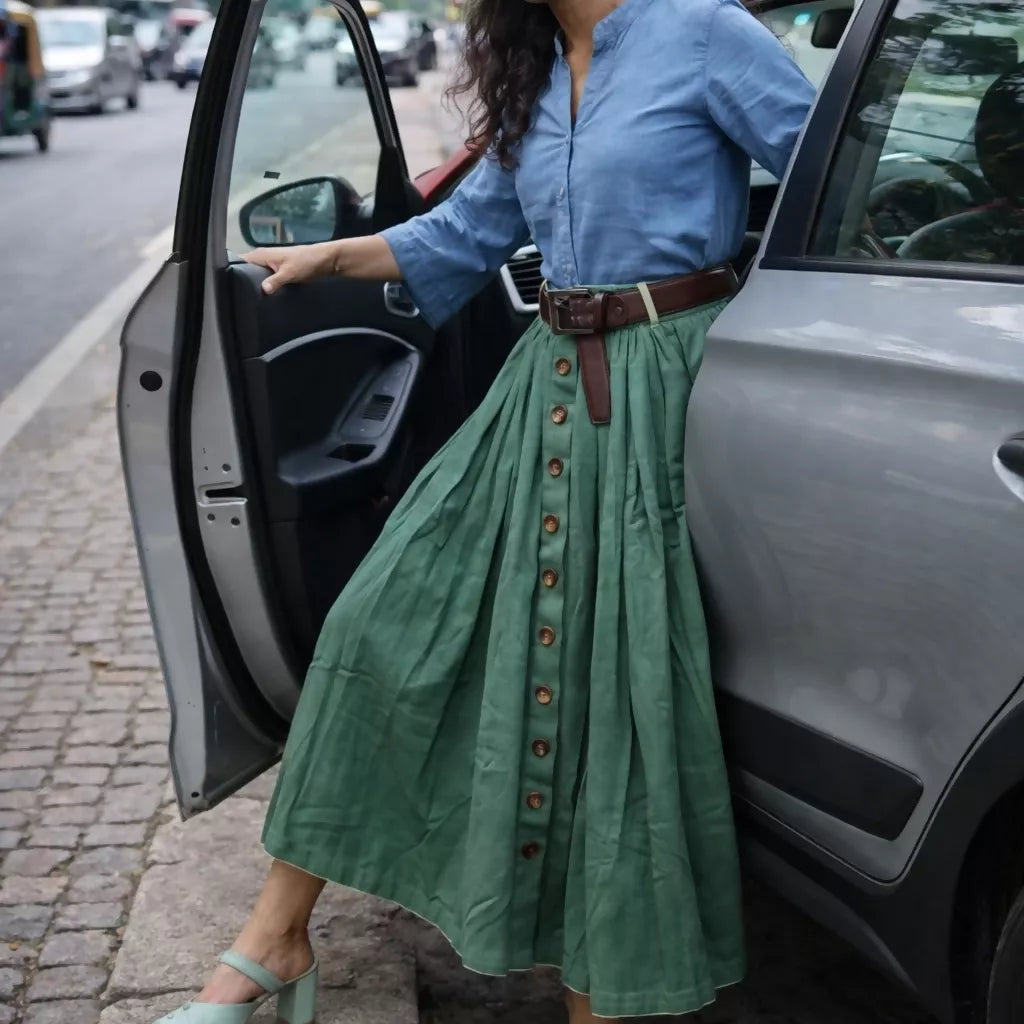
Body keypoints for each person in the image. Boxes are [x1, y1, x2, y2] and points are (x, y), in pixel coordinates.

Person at [156, 0, 814, 1020]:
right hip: (543, 384)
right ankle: (274, 938)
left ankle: (604, 987)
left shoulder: (703, 31)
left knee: (617, 698)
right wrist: (332, 257)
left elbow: (831, 184)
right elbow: (467, 231)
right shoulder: (538, 68)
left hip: (665, 385)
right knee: (382, 620)